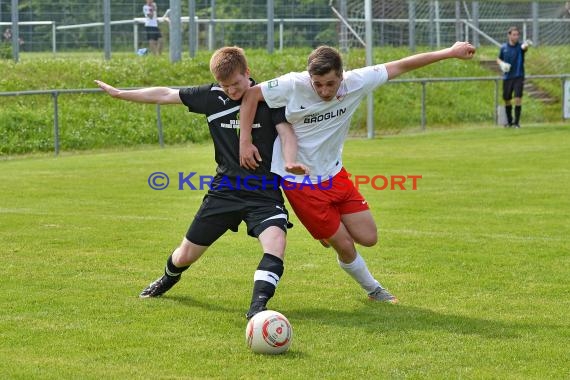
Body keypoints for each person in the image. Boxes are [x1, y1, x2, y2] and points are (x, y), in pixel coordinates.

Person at [238, 41, 476, 304]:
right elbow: (251, 95)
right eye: (317, 84)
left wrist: (450, 52)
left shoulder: (357, 81)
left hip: (335, 175)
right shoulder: (293, 84)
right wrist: (245, 141)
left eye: (330, 83)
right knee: (346, 245)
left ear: (342, 74)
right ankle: (374, 289)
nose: (324, 90)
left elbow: (401, 65)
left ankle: (327, 232)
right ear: (309, 78)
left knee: (369, 237)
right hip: (300, 183)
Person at [95, 46, 306, 320]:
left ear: (248, 73)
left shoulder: (270, 98)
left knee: (276, 243)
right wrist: (121, 93)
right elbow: (165, 94)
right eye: (225, 85)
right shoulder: (211, 98)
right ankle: (168, 278)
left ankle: (258, 309)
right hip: (224, 193)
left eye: (236, 84)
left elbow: (287, 133)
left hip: (263, 194)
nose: (231, 91)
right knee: (184, 256)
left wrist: (290, 161)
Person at [497, 26, 532, 128]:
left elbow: (524, 48)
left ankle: (516, 122)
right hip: (507, 77)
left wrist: (526, 45)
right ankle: (509, 122)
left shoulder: (520, 47)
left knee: (517, 98)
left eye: (517, 35)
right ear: (509, 35)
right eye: (514, 34)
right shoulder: (504, 48)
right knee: (507, 99)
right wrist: (502, 64)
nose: (516, 37)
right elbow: (498, 59)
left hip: (518, 76)